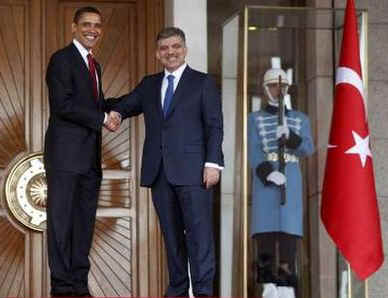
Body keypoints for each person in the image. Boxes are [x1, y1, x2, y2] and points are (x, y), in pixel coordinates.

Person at [106, 27, 224, 297]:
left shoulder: (202, 82)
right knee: (172, 238)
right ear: (157, 53)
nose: (170, 52)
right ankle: (178, 290)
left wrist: (213, 163)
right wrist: (113, 112)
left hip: (196, 173)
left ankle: (204, 292)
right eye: (164, 48)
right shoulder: (149, 84)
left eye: (176, 47)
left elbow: (215, 125)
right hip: (160, 173)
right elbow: (127, 103)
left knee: (199, 236)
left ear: (184, 49)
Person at [44, 6, 117, 297]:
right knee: (61, 222)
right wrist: (102, 117)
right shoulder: (61, 60)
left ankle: (78, 284)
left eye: (97, 25)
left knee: (83, 223)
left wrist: (120, 108)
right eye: (86, 24)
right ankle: (61, 287)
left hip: (89, 160)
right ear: (74, 27)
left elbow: (94, 105)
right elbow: (63, 105)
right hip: (64, 157)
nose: (92, 30)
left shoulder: (94, 64)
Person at [247, 65, 314, 295]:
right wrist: (267, 172)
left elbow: (308, 148)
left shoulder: (300, 119)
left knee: (288, 240)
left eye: (282, 85)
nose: (278, 90)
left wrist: (291, 137)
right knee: (265, 238)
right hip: (266, 183)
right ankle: (267, 287)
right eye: (274, 85)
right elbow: (253, 151)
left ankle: (286, 288)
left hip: (291, 180)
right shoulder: (254, 119)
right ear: (265, 88)